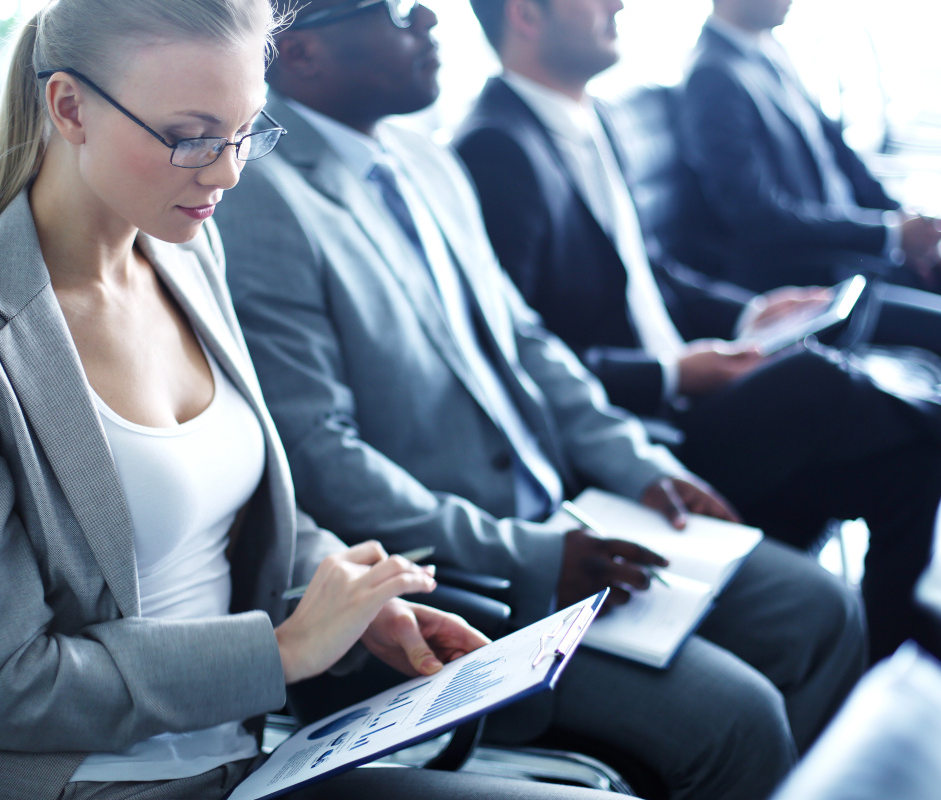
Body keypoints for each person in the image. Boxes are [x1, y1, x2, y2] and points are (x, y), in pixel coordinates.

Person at [0, 3, 625, 800]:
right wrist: (286, 650)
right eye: (190, 136)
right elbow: (11, 688)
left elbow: (243, 510)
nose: (227, 172)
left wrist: (350, 597)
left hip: (247, 756)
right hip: (86, 782)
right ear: (69, 107)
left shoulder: (184, 252)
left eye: (244, 133)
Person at [214, 2, 867, 798]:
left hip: (573, 510)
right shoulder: (260, 201)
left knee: (821, 610)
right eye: (393, 7)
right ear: (302, 53)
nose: (427, 16)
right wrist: (528, 554)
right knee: (741, 721)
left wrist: (636, 463)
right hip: (463, 583)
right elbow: (322, 455)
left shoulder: (426, 161)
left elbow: (527, 342)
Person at [455, 0, 941, 662]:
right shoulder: (495, 147)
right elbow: (513, 353)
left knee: (916, 467)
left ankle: (894, 682)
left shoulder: (588, 116)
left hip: (692, 385)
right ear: (527, 15)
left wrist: (746, 313)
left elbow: (649, 272)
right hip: (636, 431)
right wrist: (672, 373)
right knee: (817, 378)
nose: (618, 3)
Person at [675, 0, 941, 381]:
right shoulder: (712, 75)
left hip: (856, 255)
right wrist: (889, 236)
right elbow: (756, 216)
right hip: (814, 279)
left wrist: (914, 232)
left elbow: (844, 158)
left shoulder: (771, 49)